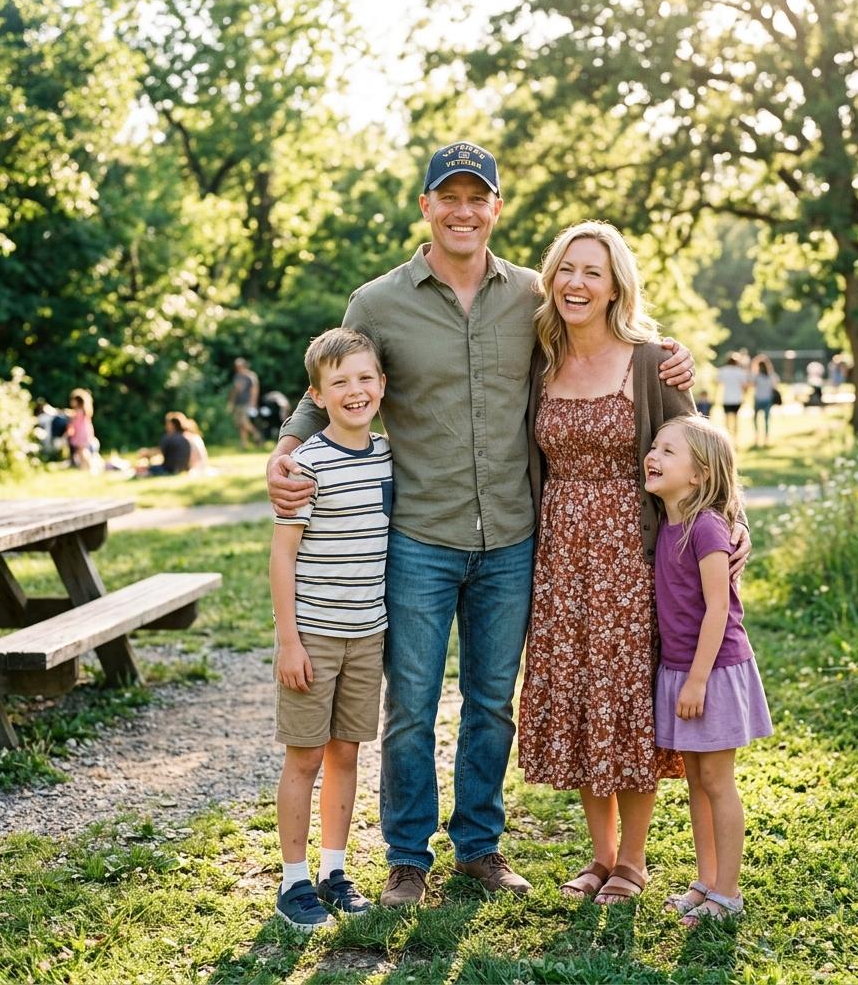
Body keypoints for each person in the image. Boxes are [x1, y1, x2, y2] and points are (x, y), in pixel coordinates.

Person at [266, 140, 699, 908]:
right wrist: (288, 447)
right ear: (427, 207)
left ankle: (479, 846)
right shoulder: (377, 303)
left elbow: (607, 339)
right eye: (449, 197)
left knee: (493, 701)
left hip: (514, 537)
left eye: (479, 198)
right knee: (412, 703)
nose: (464, 211)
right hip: (420, 537)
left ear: (497, 209)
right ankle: (407, 857)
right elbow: (324, 384)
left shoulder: (533, 297)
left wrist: (671, 358)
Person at [518, 221, 754, 906]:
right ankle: (599, 857)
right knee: (587, 702)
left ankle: (635, 862)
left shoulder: (651, 362)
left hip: (634, 557)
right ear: (551, 278)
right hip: (560, 558)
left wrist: (734, 526)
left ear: (616, 282)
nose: (577, 283)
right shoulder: (540, 358)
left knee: (629, 704)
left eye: (593, 271)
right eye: (566, 269)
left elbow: (705, 453)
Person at [271, 327, 392, 931]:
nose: (355, 390)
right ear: (317, 394)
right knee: (305, 756)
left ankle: (334, 870)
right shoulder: (305, 466)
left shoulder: (390, 458)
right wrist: (289, 640)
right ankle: (293, 882)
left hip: (367, 634)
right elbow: (282, 557)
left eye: (365, 378)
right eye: (339, 382)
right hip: (314, 636)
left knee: (346, 752)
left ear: (383, 386)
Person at [643, 414, 772, 925]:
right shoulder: (669, 522)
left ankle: (728, 893)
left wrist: (696, 679)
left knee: (718, 781)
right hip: (683, 668)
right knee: (696, 779)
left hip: (712, 671)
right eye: (655, 446)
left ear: (699, 475)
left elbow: (719, 608)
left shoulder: (708, 527)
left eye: (669, 451)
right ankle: (706, 881)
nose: (653, 455)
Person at [229, 357, 262, 448]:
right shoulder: (237, 376)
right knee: (240, 424)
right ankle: (244, 444)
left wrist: (253, 402)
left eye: (239, 365)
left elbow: (254, 390)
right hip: (238, 403)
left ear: (244, 365)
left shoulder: (250, 376)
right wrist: (231, 403)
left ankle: (257, 435)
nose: (238, 367)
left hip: (247, 403)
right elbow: (234, 390)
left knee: (244, 422)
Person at [750, 355, 779, 448]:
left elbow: (751, 384)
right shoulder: (772, 376)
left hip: (758, 399)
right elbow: (775, 385)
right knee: (766, 419)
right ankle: (766, 437)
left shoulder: (757, 376)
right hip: (767, 399)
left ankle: (757, 435)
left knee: (755, 418)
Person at [65, 389, 98, 470]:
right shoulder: (83, 411)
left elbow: (70, 416)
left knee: (82, 451)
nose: (71, 402)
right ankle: (84, 467)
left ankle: (88, 467)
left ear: (78, 401)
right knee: (81, 451)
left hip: (81, 434)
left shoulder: (79, 411)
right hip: (85, 432)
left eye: (73, 400)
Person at [715, 354, 747, 437]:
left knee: (726, 420)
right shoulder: (740, 372)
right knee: (736, 419)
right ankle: (735, 438)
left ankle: (727, 437)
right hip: (737, 399)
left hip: (727, 398)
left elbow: (717, 383)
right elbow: (744, 386)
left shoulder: (723, 371)